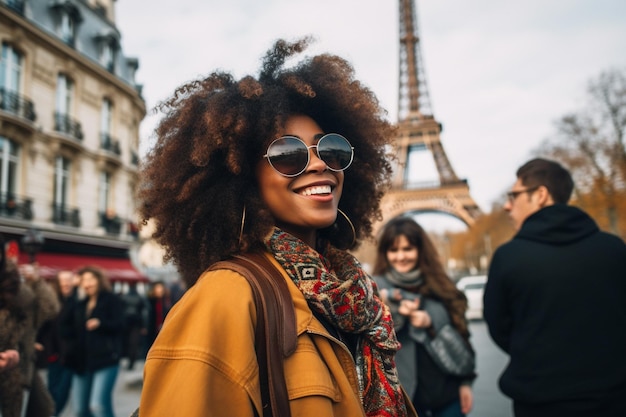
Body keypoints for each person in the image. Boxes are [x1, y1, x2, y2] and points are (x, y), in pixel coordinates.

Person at [135, 38, 416, 416]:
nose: (319, 165)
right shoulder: (225, 296)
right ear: (242, 180)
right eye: (289, 155)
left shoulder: (354, 293)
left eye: (330, 149)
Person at [483, 158, 626, 417]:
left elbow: (499, 326)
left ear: (540, 195)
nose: (507, 206)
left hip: (540, 402)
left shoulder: (508, 257)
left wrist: (535, 350)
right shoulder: (615, 249)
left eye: (513, 196)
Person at [372, 217, 475, 417]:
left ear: (420, 250)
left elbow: (462, 334)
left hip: (446, 395)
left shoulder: (441, 285)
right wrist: (392, 314)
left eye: (408, 249)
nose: (401, 256)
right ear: (385, 254)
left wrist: (465, 382)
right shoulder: (374, 289)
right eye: (394, 250)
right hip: (402, 400)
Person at [0, 239, 59, 417]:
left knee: (43, 408)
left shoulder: (14, 282)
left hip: (20, 369)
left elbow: (49, 309)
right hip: (12, 365)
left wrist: (37, 280)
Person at [60, 266, 125, 417]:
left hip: (106, 359)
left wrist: (101, 323)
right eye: (83, 281)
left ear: (99, 280)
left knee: (98, 406)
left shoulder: (111, 299)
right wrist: (75, 291)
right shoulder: (80, 304)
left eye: (91, 279)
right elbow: (63, 324)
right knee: (80, 410)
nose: (87, 283)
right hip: (82, 362)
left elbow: (121, 325)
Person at [35, 269, 77, 416]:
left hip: (71, 354)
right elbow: (42, 323)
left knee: (63, 390)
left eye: (69, 279)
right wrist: (37, 340)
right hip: (53, 352)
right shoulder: (52, 301)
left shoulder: (77, 300)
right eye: (63, 280)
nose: (66, 283)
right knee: (52, 389)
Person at [121, 282, 147, 370]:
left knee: (128, 343)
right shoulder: (139, 298)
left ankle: (129, 360)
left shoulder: (124, 297)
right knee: (133, 343)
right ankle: (131, 361)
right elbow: (144, 312)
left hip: (127, 322)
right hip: (136, 322)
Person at [144, 281, 170, 353]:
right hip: (152, 327)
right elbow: (147, 314)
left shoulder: (165, 301)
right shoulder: (150, 301)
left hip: (162, 327)